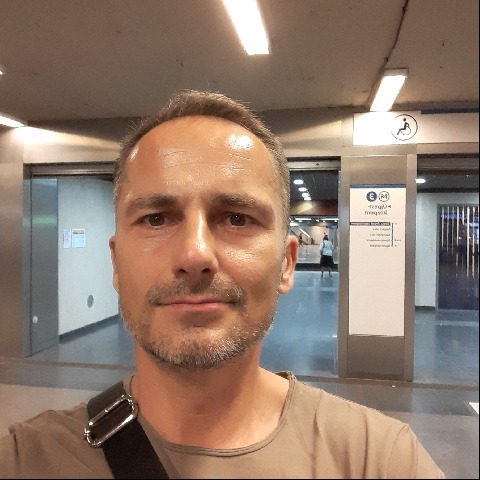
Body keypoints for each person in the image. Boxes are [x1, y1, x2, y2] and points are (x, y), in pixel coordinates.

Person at [0, 90, 444, 479]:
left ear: (286, 263)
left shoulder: (379, 460)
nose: (194, 255)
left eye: (236, 218)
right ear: (116, 263)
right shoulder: (26, 460)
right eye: (156, 219)